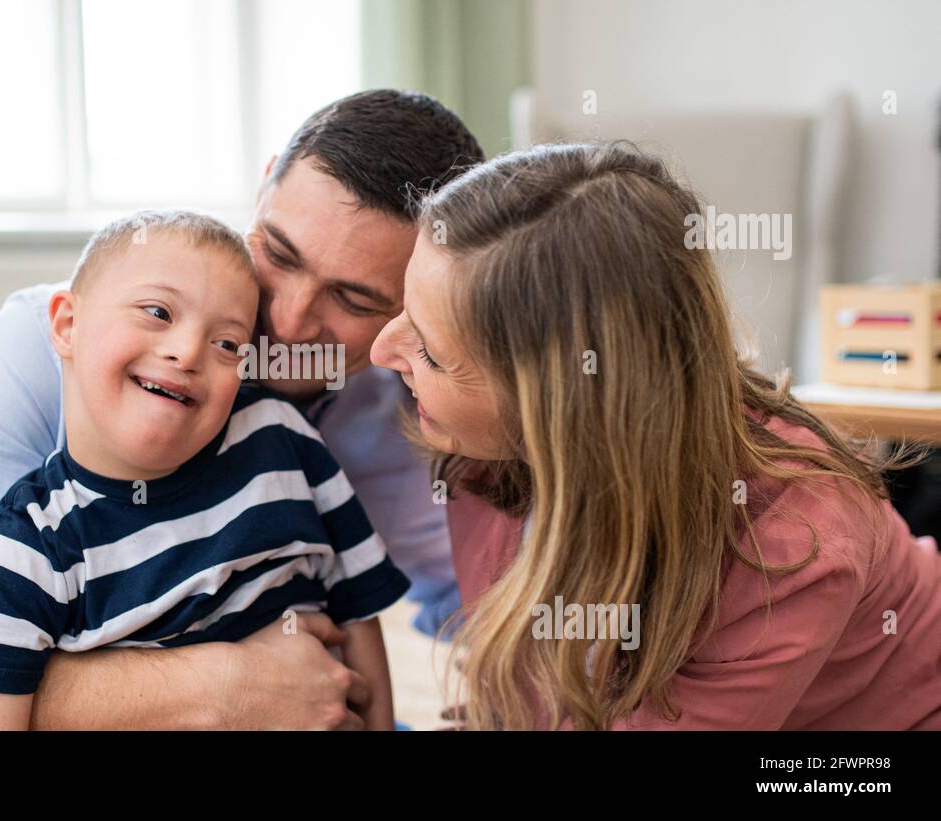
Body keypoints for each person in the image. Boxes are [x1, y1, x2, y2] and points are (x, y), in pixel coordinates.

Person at [0, 90, 484, 730]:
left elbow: (484, 605)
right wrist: (222, 688)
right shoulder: (42, 354)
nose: (289, 323)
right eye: (279, 252)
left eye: (352, 299)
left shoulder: (412, 406)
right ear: (265, 184)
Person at [370, 141, 941, 730]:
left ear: (557, 404)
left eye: (431, 354)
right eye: (404, 311)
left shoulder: (793, 548)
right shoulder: (478, 453)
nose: (380, 350)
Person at [0, 211, 408, 730]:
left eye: (227, 344)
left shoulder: (281, 437)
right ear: (67, 325)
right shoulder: (32, 545)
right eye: (157, 312)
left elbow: (358, 606)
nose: (187, 352)